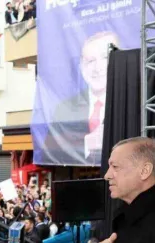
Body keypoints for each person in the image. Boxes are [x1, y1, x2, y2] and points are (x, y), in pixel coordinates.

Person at [43, 31, 120, 166]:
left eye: (105, 58)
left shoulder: (133, 104)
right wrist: (86, 144)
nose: (97, 68)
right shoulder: (64, 109)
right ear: (81, 67)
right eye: (90, 61)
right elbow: (50, 153)